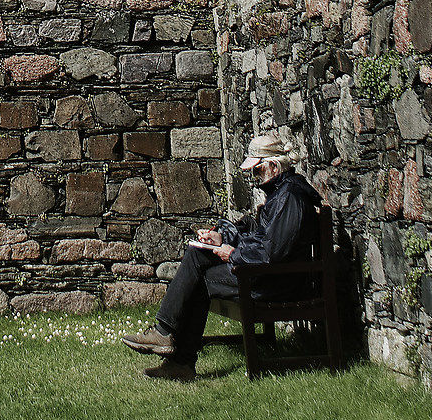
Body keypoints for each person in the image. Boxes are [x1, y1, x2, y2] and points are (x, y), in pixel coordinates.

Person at [121, 132, 320, 381]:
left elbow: (273, 254)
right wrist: (222, 238)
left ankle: (174, 350)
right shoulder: (282, 193)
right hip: (266, 275)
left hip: (273, 282)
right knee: (197, 254)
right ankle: (170, 344)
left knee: (198, 280)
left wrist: (234, 254)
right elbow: (259, 236)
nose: (255, 178)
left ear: (272, 165)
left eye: (257, 171)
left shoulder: (289, 197)